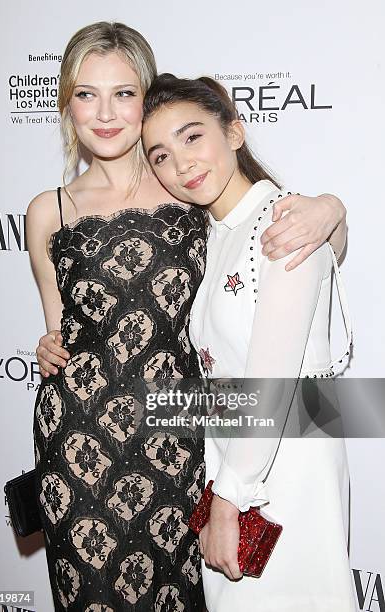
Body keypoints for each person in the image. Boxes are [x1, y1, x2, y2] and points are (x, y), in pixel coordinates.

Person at [28, 21, 348, 612]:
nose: (104, 113)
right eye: (85, 93)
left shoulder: (187, 187)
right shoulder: (48, 210)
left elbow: (289, 244)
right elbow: (59, 331)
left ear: (144, 99)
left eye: (123, 93)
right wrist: (48, 347)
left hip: (182, 440)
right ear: (66, 103)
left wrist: (331, 210)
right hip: (80, 442)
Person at [140, 73, 355, 611]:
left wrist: (226, 500)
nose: (181, 164)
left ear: (234, 132)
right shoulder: (213, 233)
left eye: (193, 137)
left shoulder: (284, 221)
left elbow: (273, 381)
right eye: (160, 155)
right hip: (239, 459)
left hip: (286, 464)